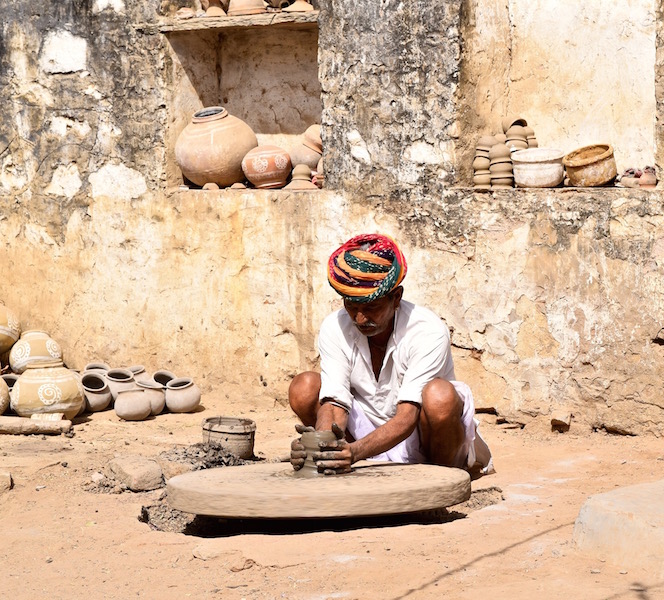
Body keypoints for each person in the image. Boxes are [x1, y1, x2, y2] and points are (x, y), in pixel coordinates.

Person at [289, 233, 493, 476]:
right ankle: (339, 464)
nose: (360, 318)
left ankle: (440, 478)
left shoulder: (427, 330)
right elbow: (335, 403)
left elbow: (407, 416)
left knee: (440, 397)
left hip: (422, 436)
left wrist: (354, 453)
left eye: (371, 307)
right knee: (304, 387)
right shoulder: (335, 326)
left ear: (396, 297)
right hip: (362, 434)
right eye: (352, 306)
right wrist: (321, 446)